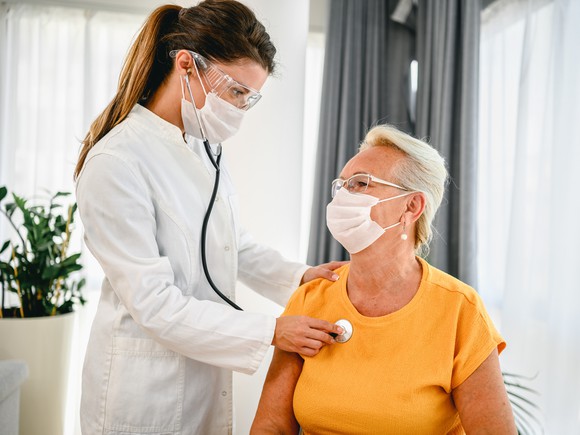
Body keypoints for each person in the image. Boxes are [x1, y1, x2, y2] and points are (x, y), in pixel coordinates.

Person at [74, 1, 344, 433]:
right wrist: (272, 331)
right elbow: (154, 304)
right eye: (236, 91)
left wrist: (301, 277)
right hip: (145, 392)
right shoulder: (116, 162)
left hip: (199, 372)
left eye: (248, 99)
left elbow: (231, 242)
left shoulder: (203, 145)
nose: (239, 108)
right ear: (186, 64)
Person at [251, 124, 517, 434]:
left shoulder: (460, 310)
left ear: (412, 205)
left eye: (361, 183)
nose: (343, 197)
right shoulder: (310, 298)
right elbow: (271, 427)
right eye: (342, 185)